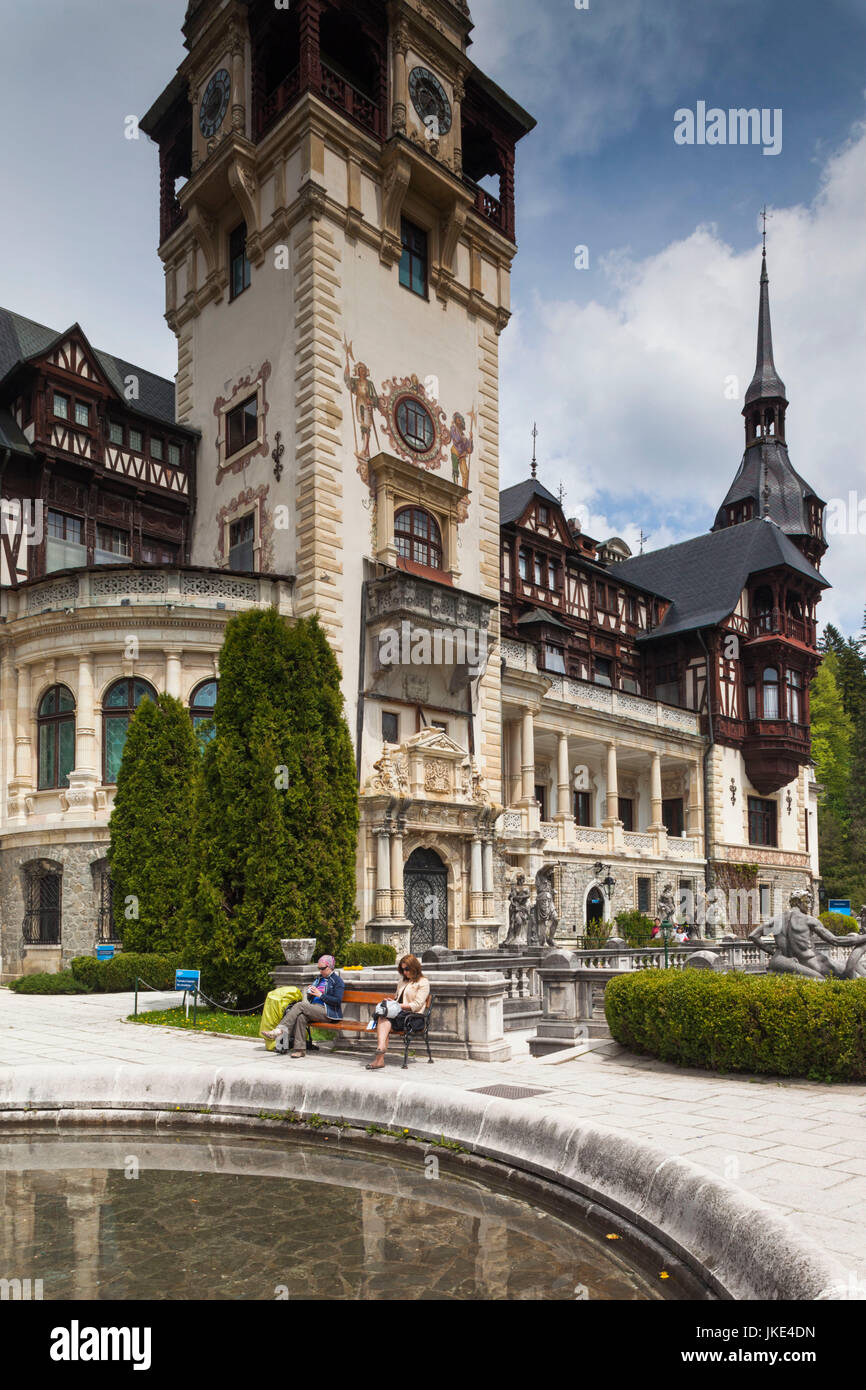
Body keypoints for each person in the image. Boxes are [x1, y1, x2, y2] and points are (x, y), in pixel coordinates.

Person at [262, 955, 344, 1057]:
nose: (320, 971)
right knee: (301, 1017)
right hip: (315, 1008)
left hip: (328, 1012)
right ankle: (300, 1050)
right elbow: (311, 999)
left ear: (330, 967)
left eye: (322, 968)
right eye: (319, 968)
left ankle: (279, 1030)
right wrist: (310, 993)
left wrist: (321, 995)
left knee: (300, 1006)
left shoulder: (337, 981)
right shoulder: (319, 979)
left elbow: (337, 1001)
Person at [366, 954, 430, 1071]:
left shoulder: (423, 982)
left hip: (413, 1018)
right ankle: (380, 1053)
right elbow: (397, 999)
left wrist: (397, 1005)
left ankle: (379, 1057)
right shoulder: (402, 981)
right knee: (383, 1017)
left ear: (414, 967)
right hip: (399, 1015)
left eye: (407, 969)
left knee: (384, 1019)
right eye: (402, 969)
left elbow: (416, 1005)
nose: (404, 972)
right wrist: (392, 1002)